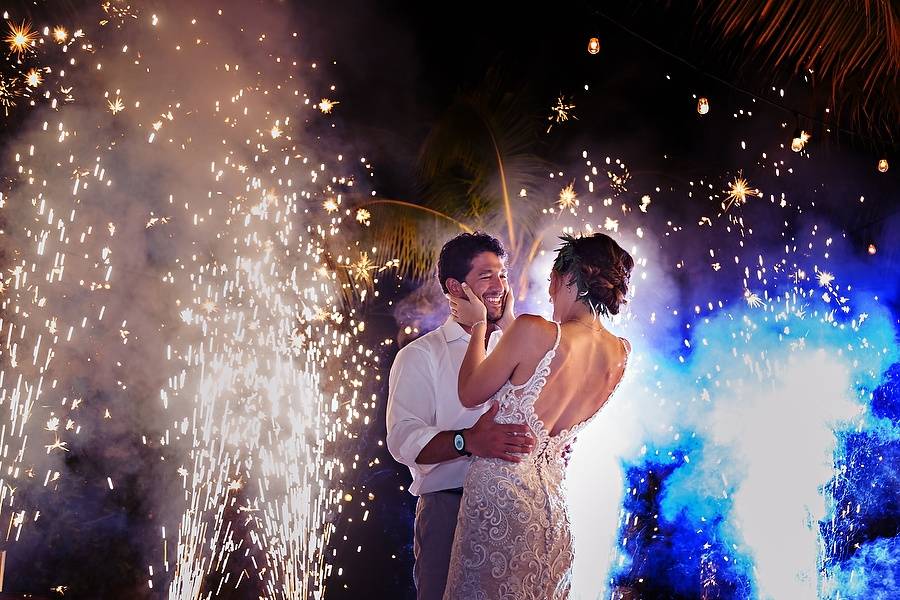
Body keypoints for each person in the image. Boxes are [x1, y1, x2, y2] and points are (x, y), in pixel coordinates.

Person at [443, 232, 634, 599]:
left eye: (551, 282)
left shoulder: (534, 329)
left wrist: (480, 324)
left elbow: (469, 393)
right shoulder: (620, 354)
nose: (549, 293)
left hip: (502, 504)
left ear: (568, 279)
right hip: (555, 514)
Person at [386, 232, 536, 600]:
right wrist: (467, 440)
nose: (500, 285)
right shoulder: (422, 355)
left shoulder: (517, 345)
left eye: (502, 274)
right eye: (487, 276)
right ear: (456, 286)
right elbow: (403, 440)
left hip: (517, 512)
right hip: (450, 509)